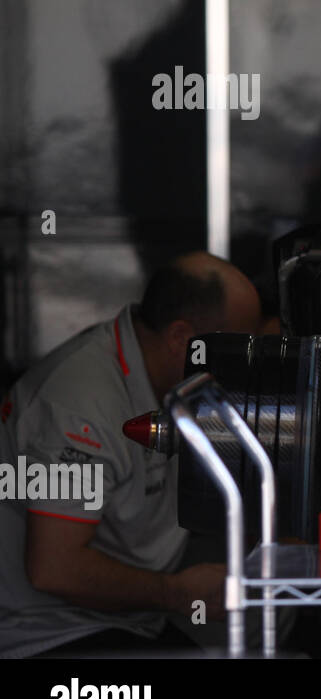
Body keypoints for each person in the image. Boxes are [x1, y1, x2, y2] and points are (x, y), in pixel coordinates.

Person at [0, 252, 261, 657]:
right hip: (45, 632)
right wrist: (176, 593)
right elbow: (54, 568)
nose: (247, 369)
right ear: (182, 339)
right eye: (239, 350)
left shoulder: (175, 386)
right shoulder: (80, 401)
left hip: (132, 620)